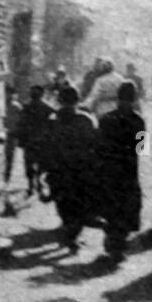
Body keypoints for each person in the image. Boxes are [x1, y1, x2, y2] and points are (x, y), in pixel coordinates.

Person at [41, 86, 99, 252]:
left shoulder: (53, 119)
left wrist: (45, 167)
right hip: (81, 168)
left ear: (60, 100)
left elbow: (46, 145)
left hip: (59, 168)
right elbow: (95, 144)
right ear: (78, 100)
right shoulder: (86, 119)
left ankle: (68, 229)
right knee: (80, 202)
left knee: (63, 200)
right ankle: (73, 235)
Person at [97, 80, 145, 263]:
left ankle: (112, 240)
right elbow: (142, 149)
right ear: (134, 99)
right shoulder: (138, 120)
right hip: (129, 170)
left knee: (111, 206)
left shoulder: (106, 119)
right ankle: (119, 243)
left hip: (110, 170)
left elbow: (99, 146)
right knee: (127, 207)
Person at [16, 85, 53, 197]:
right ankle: (38, 184)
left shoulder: (26, 107)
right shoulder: (47, 108)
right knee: (41, 164)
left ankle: (31, 185)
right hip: (42, 141)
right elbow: (52, 124)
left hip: (30, 141)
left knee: (29, 164)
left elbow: (21, 124)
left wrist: (21, 140)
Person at [3, 84, 23, 185]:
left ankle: (7, 175)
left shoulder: (16, 106)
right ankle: (5, 175)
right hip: (5, 132)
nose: (7, 95)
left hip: (12, 133)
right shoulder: (2, 105)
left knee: (9, 155)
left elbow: (21, 120)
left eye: (9, 93)